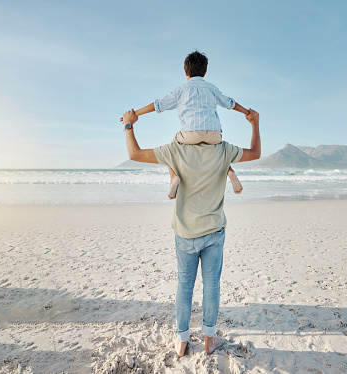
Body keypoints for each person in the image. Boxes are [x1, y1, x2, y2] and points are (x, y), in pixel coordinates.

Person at [119, 108, 261, 357]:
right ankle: (208, 341)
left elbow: (135, 154)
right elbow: (255, 153)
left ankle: (182, 341)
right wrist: (255, 123)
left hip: (185, 231)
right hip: (214, 230)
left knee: (185, 286)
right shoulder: (223, 148)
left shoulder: (176, 148)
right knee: (211, 286)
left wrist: (130, 125)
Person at [127, 50, 250, 199]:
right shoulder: (212, 88)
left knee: (172, 146)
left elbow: (158, 105)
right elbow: (230, 103)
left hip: (190, 134)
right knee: (220, 150)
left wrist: (135, 114)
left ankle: (173, 177)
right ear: (205, 72)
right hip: (214, 134)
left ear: (185, 71)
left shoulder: (180, 90)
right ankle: (229, 171)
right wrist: (246, 112)